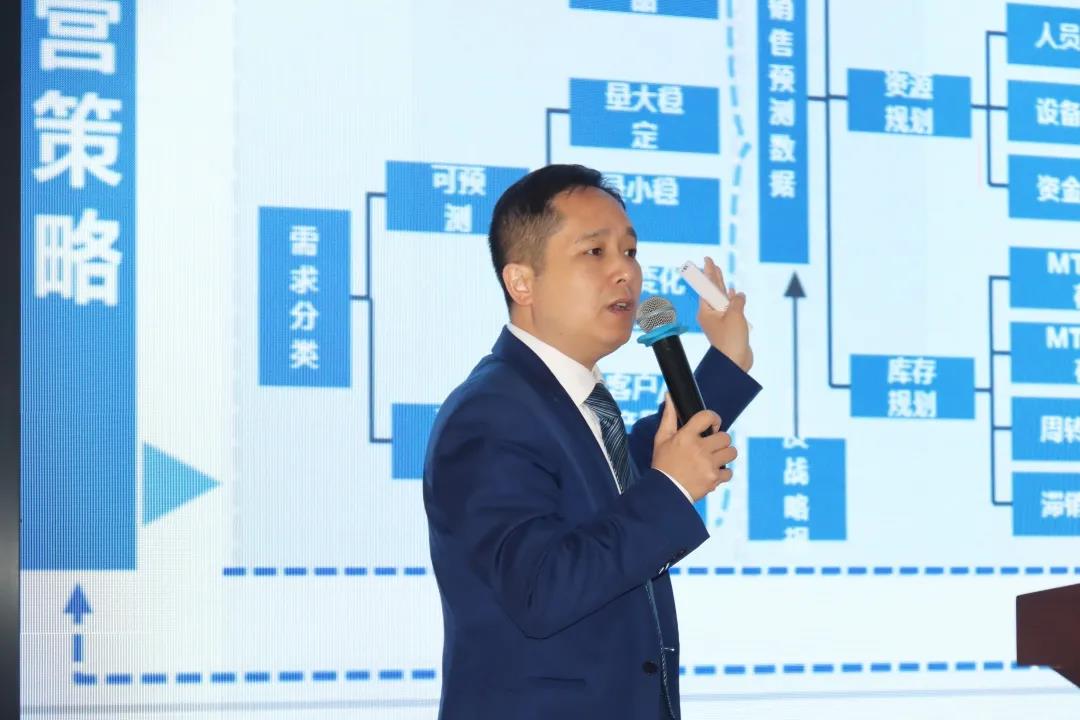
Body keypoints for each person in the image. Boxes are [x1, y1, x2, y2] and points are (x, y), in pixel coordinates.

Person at [423, 164, 762, 719]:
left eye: (630, 251)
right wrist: (672, 486)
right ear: (521, 282)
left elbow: (632, 476)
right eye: (595, 252)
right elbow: (540, 589)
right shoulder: (489, 413)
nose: (625, 270)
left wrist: (727, 362)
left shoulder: (569, 401)